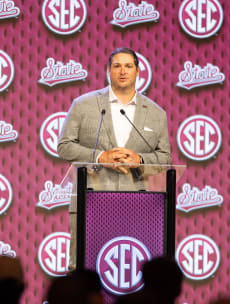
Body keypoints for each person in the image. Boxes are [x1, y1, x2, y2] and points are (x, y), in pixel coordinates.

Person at [58, 47, 171, 269]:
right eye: (117, 66)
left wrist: (139, 160)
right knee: (84, 269)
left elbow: (165, 158)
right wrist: (100, 156)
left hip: (138, 204)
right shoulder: (83, 105)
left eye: (128, 66)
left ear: (138, 71)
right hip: (90, 199)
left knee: (131, 269)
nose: (123, 71)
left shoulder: (156, 113)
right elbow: (64, 147)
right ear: (108, 70)